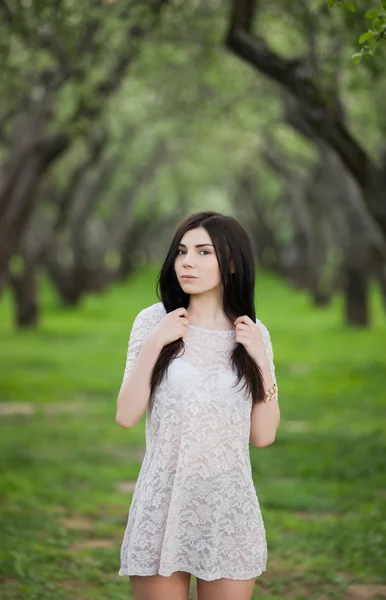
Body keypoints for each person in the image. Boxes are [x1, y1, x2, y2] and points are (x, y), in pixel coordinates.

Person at [116, 210, 280, 600]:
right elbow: (125, 415)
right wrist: (156, 341)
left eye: (204, 252)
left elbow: (263, 435)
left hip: (229, 507)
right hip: (163, 502)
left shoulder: (253, 334)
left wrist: (262, 363)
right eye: (182, 251)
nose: (188, 261)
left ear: (234, 263)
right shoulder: (153, 322)